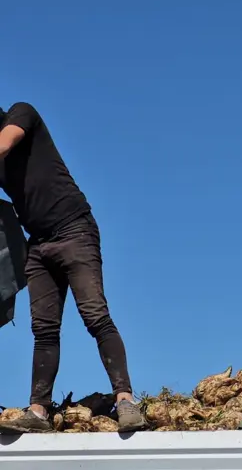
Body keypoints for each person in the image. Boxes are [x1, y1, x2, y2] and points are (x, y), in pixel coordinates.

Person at [0, 102, 146, 433]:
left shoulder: (21, 114)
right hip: (38, 244)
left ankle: (126, 401)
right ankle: (38, 412)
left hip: (74, 230)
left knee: (96, 316)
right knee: (44, 330)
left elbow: (5, 143)